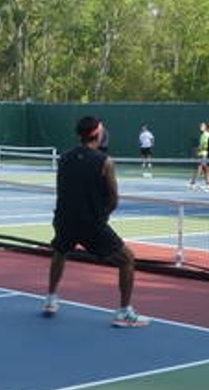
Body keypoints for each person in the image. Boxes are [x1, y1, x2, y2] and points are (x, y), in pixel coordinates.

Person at [42, 115, 149, 327]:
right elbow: (113, 199)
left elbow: (63, 191)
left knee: (60, 252)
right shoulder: (105, 162)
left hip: (63, 219)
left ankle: (51, 299)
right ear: (97, 134)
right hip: (90, 224)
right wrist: (101, 217)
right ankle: (124, 313)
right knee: (127, 259)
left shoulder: (64, 158)